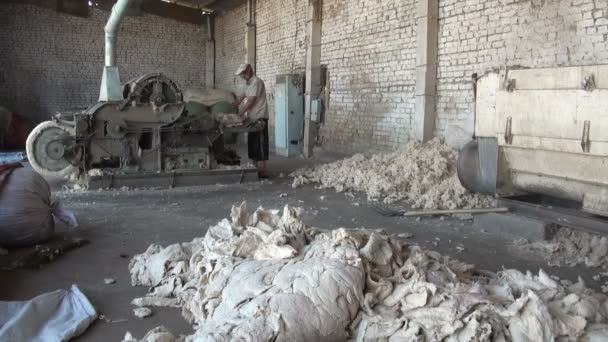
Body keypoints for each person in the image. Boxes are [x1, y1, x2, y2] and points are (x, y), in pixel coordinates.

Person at [234, 63, 269, 178]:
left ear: (249, 70)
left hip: (259, 118)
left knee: (260, 144)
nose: (242, 76)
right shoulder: (248, 84)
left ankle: (262, 171)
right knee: (253, 143)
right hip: (252, 118)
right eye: (241, 74)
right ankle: (255, 169)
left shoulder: (257, 82)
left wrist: (237, 114)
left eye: (243, 73)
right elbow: (241, 97)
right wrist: (232, 105)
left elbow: (250, 101)